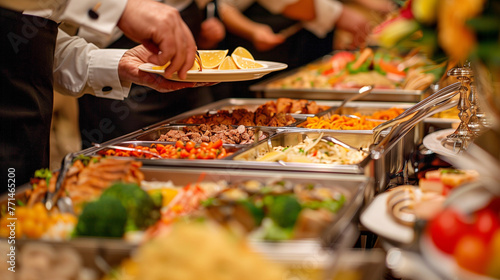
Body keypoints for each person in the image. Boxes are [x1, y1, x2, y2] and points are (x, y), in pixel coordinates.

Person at [1, 0, 200, 187]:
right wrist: (118, 8)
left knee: (17, 210)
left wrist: (118, 66)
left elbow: (40, 49)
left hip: (28, 134)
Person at [76, 0, 226, 148]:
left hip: (189, 90)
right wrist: (122, 9)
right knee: (127, 159)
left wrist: (201, 37)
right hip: (121, 89)